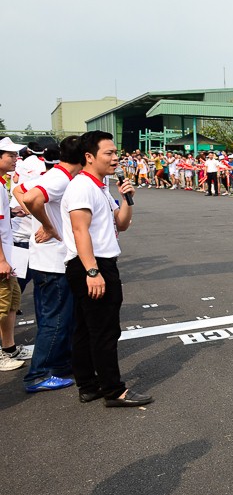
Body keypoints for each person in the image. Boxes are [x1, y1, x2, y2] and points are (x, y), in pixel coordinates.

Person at [61, 131, 149, 406]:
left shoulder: (99, 186)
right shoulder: (82, 187)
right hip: (92, 263)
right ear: (89, 157)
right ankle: (114, 390)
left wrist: (127, 199)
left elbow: (120, 224)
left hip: (95, 262)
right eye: (108, 153)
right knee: (104, 330)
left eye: (115, 153)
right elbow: (79, 230)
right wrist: (92, 271)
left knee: (88, 329)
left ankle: (88, 385)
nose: (115, 158)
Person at [12, 136, 84, 391]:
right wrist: (47, 224)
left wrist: (40, 220)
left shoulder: (55, 174)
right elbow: (31, 198)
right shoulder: (60, 178)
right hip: (54, 261)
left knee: (58, 317)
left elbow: (18, 190)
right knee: (56, 319)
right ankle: (38, 374)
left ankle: (59, 364)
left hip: (48, 259)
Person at [0, 139, 28, 373]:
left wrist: (11, 211)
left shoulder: (3, 183)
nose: (15, 159)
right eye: (10, 155)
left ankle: (9, 348)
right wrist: (1, 260)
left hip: (9, 256)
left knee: (11, 303)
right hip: (3, 258)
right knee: (1, 306)